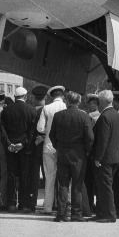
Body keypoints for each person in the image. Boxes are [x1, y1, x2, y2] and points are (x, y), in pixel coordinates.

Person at [49, 91, 94, 222]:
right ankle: (76, 213)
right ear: (78, 102)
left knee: (62, 184)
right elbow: (90, 137)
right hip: (79, 154)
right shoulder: (84, 116)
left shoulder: (58, 116)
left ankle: (61, 214)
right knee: (77, 184)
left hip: (63, 152)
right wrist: (87, 150)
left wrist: (58, 146)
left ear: (67, 101)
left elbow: (52, 135)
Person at [0, 86, 33, 212]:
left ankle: (12, 203)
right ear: (25, 96)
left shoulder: (7, 110)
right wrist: (23, 144)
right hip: (25, 149)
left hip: (11, 148)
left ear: (15, 97)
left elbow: (2, 129)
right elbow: (32, 131)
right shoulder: (31, 110)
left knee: (12, 176)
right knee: (25, 176)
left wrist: (9, 144)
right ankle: (24, 204)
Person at [35, 85, 66, 215]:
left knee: (49, 177)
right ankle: (63, 206)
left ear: (51, 96)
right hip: (64, 146)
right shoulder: (66, 107)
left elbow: (40, 128)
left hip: (49, 145)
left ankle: (47, 207)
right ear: (63, 96)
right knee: (64, 178)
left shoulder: (46, 108)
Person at [91, 89, 119, 222]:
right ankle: (102, 212)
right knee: (105, 186)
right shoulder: (116, 115)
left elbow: (103, 139)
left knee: (105, 187)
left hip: (105, 158)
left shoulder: (105, 117)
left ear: (102, 102)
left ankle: (109, 214)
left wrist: (98, 158)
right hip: (114, 156)